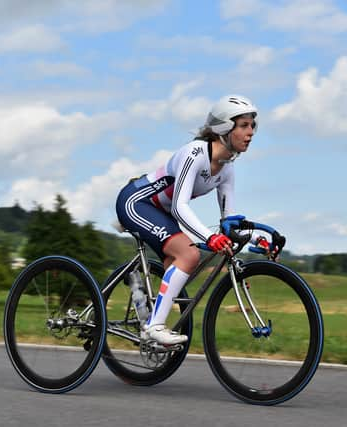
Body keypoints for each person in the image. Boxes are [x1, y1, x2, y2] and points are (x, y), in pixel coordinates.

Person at [115, 95, 269, 345]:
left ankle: (140, 299)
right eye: (244, 125)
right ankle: (154, 326)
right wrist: (210, 237)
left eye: (253, 126)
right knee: (189, 255)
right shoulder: (195, 153)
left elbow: (229, 221)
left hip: (159, 212)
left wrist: (259, 240)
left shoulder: (227, 169)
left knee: (185, 263)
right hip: (137, 202)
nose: (251, 132)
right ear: (224, 128)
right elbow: (179, 205)